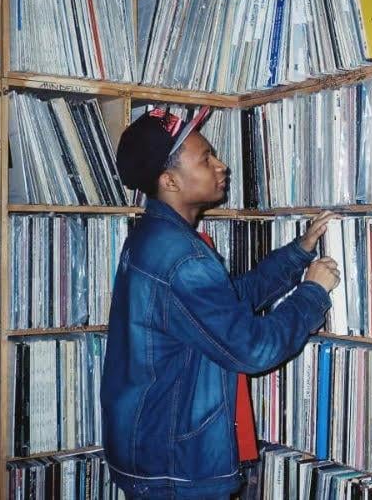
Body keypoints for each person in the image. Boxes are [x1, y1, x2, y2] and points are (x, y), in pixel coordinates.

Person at [100, 107, 340, 499]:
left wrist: (298, 254)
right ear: (170, 181)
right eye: (206, 159)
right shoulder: (182, 257)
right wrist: (312, 293)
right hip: (176, 467)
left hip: (152, 454)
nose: (221, 165)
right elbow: (254, 348)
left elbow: (223, 306)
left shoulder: (155, 239)